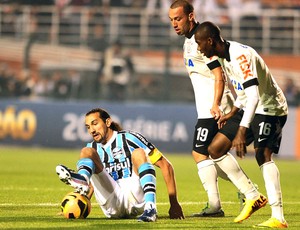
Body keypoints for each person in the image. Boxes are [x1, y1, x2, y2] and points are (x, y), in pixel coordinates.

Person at [168, 0, 266, 221]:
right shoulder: (189, 41)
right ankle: (243, 190)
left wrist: (215, 104)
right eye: (172, 20)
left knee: (200, 152)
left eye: (178, 18)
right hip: (208, 107)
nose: (174, 23)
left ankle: (224, 201)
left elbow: (218, 75)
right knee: (210, 153)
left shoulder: (201, 40)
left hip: (214, 108)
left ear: (191, 16)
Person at [195, 21, 288, 228]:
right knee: (215, 149)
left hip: (270, 108)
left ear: (210, 41)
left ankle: (278, 217)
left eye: (200, 44)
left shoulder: (240, 56)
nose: (199, 48)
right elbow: (245, 92)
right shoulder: (224, 56)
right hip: (249, 107)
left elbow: (254, 95)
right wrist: (233, 113)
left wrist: (242, 129)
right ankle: (253, 196)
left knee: (262, 154)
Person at [56, 108, 184, 222]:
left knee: (139, 153)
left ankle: (151, 208)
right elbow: (97, 183)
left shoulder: (129, 138)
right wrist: (78, 204)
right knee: (86, 151)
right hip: (112, 202)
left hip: (135, 196)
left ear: (107, 122)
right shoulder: (93, 148)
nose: (92, 130)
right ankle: (82, 179)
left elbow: (165, 165)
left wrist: (174, 204)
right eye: (88, 127)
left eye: (95, 124)